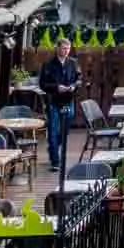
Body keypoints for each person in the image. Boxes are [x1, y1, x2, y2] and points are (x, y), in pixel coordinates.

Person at [37, 37, 82, 172]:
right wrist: (56, 87)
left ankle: (53, 147)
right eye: (63, 48)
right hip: (53, 101)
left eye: (68, 48)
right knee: (53, 130)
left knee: (64, 130)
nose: (66, 51)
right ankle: (55, 161)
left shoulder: (73, 63)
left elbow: (80, 79)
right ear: (57, 48)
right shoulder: (48, 65)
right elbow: (43, 84)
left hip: (68, 100)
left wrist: (74, 86)